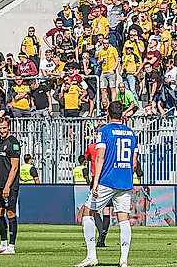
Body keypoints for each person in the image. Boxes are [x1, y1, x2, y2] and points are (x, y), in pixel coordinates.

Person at [76, 102, 138, 267]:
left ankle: (91, 256)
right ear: (122, 115)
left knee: (88, 213)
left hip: (107, 180)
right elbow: (134, 163)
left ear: (108, 114)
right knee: (123, 218)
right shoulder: (132, 133)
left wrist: (95, 181)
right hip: (125, 181)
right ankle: (123, 260)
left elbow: (100, 157)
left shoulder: (104, 131)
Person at [0, 116, 21, 255]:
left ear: (9, 127)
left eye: (4, 128)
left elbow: (14, 167)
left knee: (10, 213)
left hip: (10, 185)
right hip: (0, 184)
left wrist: (7, 186)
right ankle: (3, 244)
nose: (2, 130)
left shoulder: (13, 143)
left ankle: (11, 246)